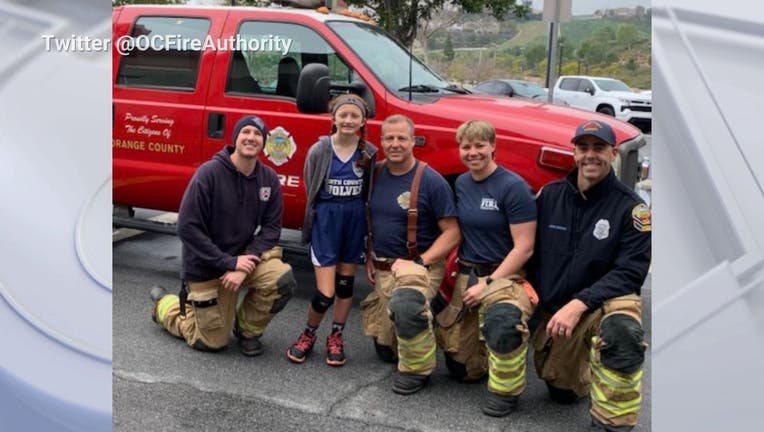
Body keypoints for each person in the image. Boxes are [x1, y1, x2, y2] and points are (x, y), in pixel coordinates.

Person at [528, 119, 651, 431]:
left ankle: (613, 422)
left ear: (612, 154)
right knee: (563, 392)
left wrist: (579, 303)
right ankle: (577, 369)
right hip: (554, 314)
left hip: (598, 307)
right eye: (583, 148)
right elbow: (526, 251)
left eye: (599, 148)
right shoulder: (549, 197)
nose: (590, 155)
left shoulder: (633, 209)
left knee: (624, 333)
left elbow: (630, 273)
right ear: (574, 153)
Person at [149, 115, 296, 356]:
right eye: (246, 132)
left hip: (242, 262)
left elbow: (271, 229)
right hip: (206, 266)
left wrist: (243, 263)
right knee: (209, 342)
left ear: (264, 142)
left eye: (257, 134)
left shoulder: (268, 179)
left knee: (281, 278)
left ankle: (248, 332)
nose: (251, 137)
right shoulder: (209, 174)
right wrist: (227, 262)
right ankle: (166, 305)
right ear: (235, 137)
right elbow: (187, 227)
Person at [433, 120, 537, 417]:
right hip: (467, 274)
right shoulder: (463, 183)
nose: (473, 152)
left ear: (493, 146)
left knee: (503, 324)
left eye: (480, 145)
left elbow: (524, 247)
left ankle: (506, 392)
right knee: (461, 370)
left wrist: (489, 283)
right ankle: (485, 352)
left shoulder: (513, 187)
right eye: (466, 146)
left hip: (506, 276)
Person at [360, 114, 461, 395]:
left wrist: (419, 261)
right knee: (385, 350)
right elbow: (374, 221)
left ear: (413, 141)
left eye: (401, 138)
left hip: (420, 266)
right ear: (381, 142)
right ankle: (419, 320)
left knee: (406, 309)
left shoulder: (431, 181)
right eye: (389, 138)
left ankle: (417, 370)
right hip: (384, 267)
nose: (395, 144)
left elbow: (453, 232)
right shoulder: (375, 173)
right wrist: (370, 255)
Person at [286, 94, 377, 366]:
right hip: (327, 219)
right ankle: (309, 332)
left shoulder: (369, 153)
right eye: (343, 115)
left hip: (354, 220)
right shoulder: (320, 150)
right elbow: (310, 187)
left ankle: (336, 335)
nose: (348, 120)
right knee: (325, 292)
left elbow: (369, 192)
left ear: (362, 120)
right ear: (333, 118)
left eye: (354, 116)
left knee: (345, 285)